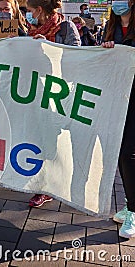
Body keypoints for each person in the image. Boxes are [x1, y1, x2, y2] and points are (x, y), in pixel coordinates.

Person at [26, 0, 80, 207]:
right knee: (40, 141)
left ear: (39, 10)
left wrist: (49, 47)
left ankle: (56, 186)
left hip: (58, 94)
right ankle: (43, 186)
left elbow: (75, 57)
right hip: (36, 93)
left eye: (30, 11)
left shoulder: (66, 27)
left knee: (54, 142)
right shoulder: (30, 31)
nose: (28, 15)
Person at [101, 0, 135, 239]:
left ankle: (133, 210)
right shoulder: (110, 27)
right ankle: (129, 203)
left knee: (129, 153)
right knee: (121, 152)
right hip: (118, 99)